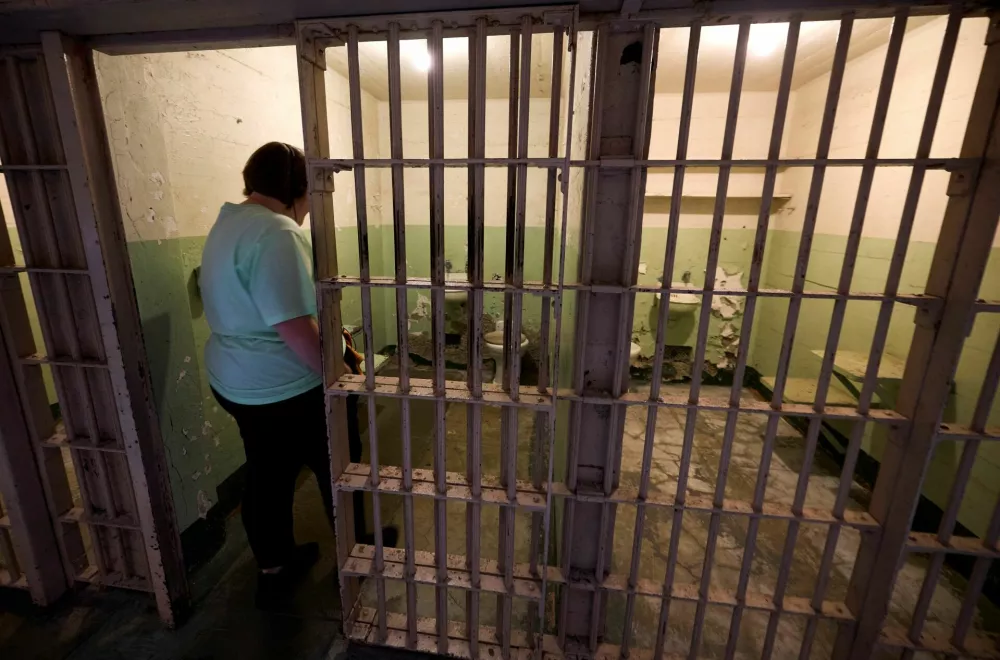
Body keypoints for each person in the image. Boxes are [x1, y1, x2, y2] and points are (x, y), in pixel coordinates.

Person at [199, 141, 396, 607]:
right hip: (286, 386)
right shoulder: (277, 232)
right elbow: (295, 327)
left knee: (266, 473)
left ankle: (276, 564)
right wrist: (345, 376)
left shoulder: (228, 222)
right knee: (339, 464)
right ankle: (356, 549)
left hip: (237, 380)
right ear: (297, 190)